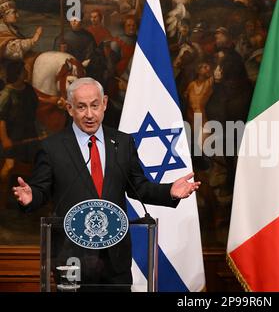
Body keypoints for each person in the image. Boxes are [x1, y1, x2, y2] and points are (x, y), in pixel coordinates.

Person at [12, 77, 200, 290]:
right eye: (81, 107)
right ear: (69, 108)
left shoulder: (122, 142)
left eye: (94, 105)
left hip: (115, 258)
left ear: (105, 103)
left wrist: (170, 191)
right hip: (72, 256)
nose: (89, 114)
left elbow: (139, 187)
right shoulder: (52, 147)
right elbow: (40, 190)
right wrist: (30, 197)